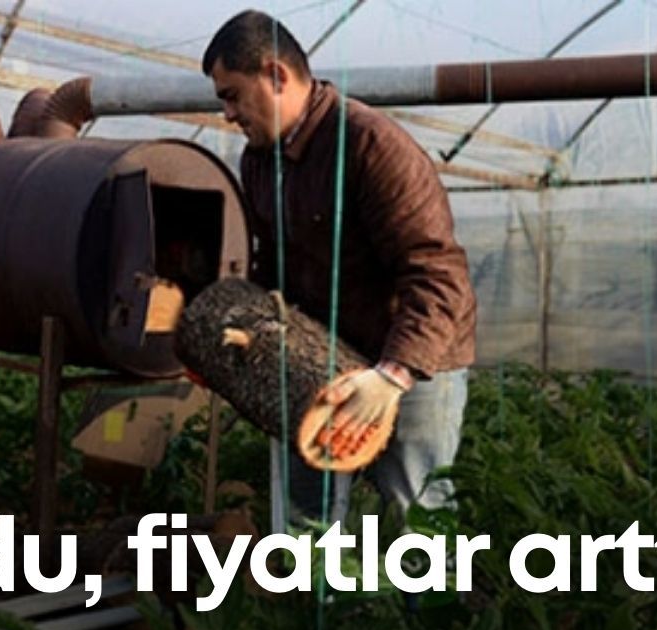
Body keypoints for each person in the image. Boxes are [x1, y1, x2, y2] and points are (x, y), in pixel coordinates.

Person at [202, 10, 477, 531]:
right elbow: (270, 266)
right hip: (321, 360)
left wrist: (392, 375)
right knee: (305, 512)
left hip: (414, 356)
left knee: (416, 507)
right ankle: (314, 586)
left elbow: (438, 275)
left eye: (232, 95)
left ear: (276, 75)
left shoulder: (371, 145)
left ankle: (432, 589)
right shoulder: (259, 160)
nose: (228, 113)